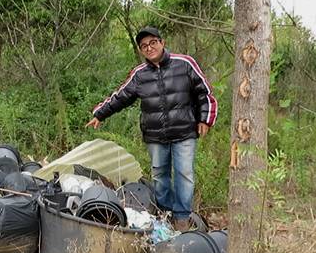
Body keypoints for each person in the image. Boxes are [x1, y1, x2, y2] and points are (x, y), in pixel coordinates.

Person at [85, 27, 217, 231]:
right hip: (155, 135)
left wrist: (205, 119)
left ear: (162, 42)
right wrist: (100, 114)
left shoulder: (185, 63)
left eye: (153, 42)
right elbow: (121, 96)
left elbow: (205, 92)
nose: (149, 48)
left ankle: (181, 218)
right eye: (144, 46)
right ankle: (164, 215)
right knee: (159, 175)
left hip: (184, 132)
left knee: (184, 174)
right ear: (141, 50)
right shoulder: (139, 74)